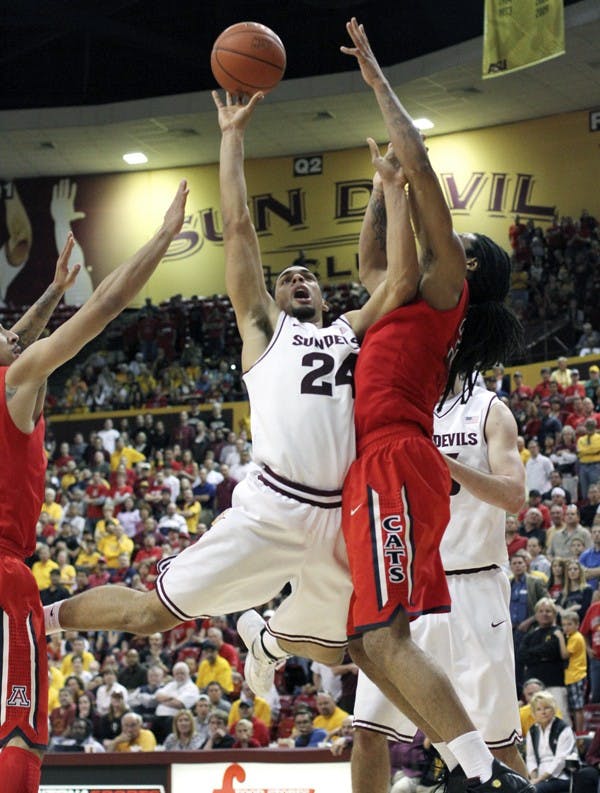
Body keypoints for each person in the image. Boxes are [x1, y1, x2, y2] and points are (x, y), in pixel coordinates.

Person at [46, 73, 416, 693]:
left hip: (338, 515)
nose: (299, 281)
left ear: (324, 293)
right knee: (148, 615)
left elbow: (402, 282)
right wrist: (232, 138)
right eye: (287, 277)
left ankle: (265, 640)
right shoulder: (264, 329)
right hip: (271, 507)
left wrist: (390, 190)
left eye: (308, 277)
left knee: (348, 652)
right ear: (271, 295)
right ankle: (45, 617)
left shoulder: (353, 327)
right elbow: (241, 226)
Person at [334, 17, 529, 793]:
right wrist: (383, 186)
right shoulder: (403, 296)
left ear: (469, 272)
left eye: (465, 241)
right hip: (385, 469)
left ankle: (494, 775)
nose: (457, 239)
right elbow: (372, 258)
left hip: (435, 516)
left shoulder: (446, 285)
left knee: (380, 637)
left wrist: (379, 79)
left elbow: (421, 165)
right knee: (366, 653)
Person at [0, 197, 176, 792]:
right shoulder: (15, 385)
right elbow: (101, 308)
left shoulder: (13, 371)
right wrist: (160, 239)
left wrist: (50, 292)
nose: (13, 333)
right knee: (17, 732)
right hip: (4, 574)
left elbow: (17, 338)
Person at [351, 380, 529, 793]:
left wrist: (444, 464)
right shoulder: (399, 405)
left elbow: (515, 495)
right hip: (403, 585)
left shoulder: (490, 410)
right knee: (368, 732)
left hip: (474, 584)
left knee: (499, 748)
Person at [525, 692, 576, 793]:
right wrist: (534, 778)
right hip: (539, 777)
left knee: (535, 790)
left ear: (553, 709)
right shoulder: (532, 731)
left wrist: (538, 780)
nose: (543, 712)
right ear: (534, 713)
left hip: (561, 776)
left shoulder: (563, 729)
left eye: (546, 708)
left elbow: (560, 760)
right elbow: (530, 757)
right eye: (538, 709)